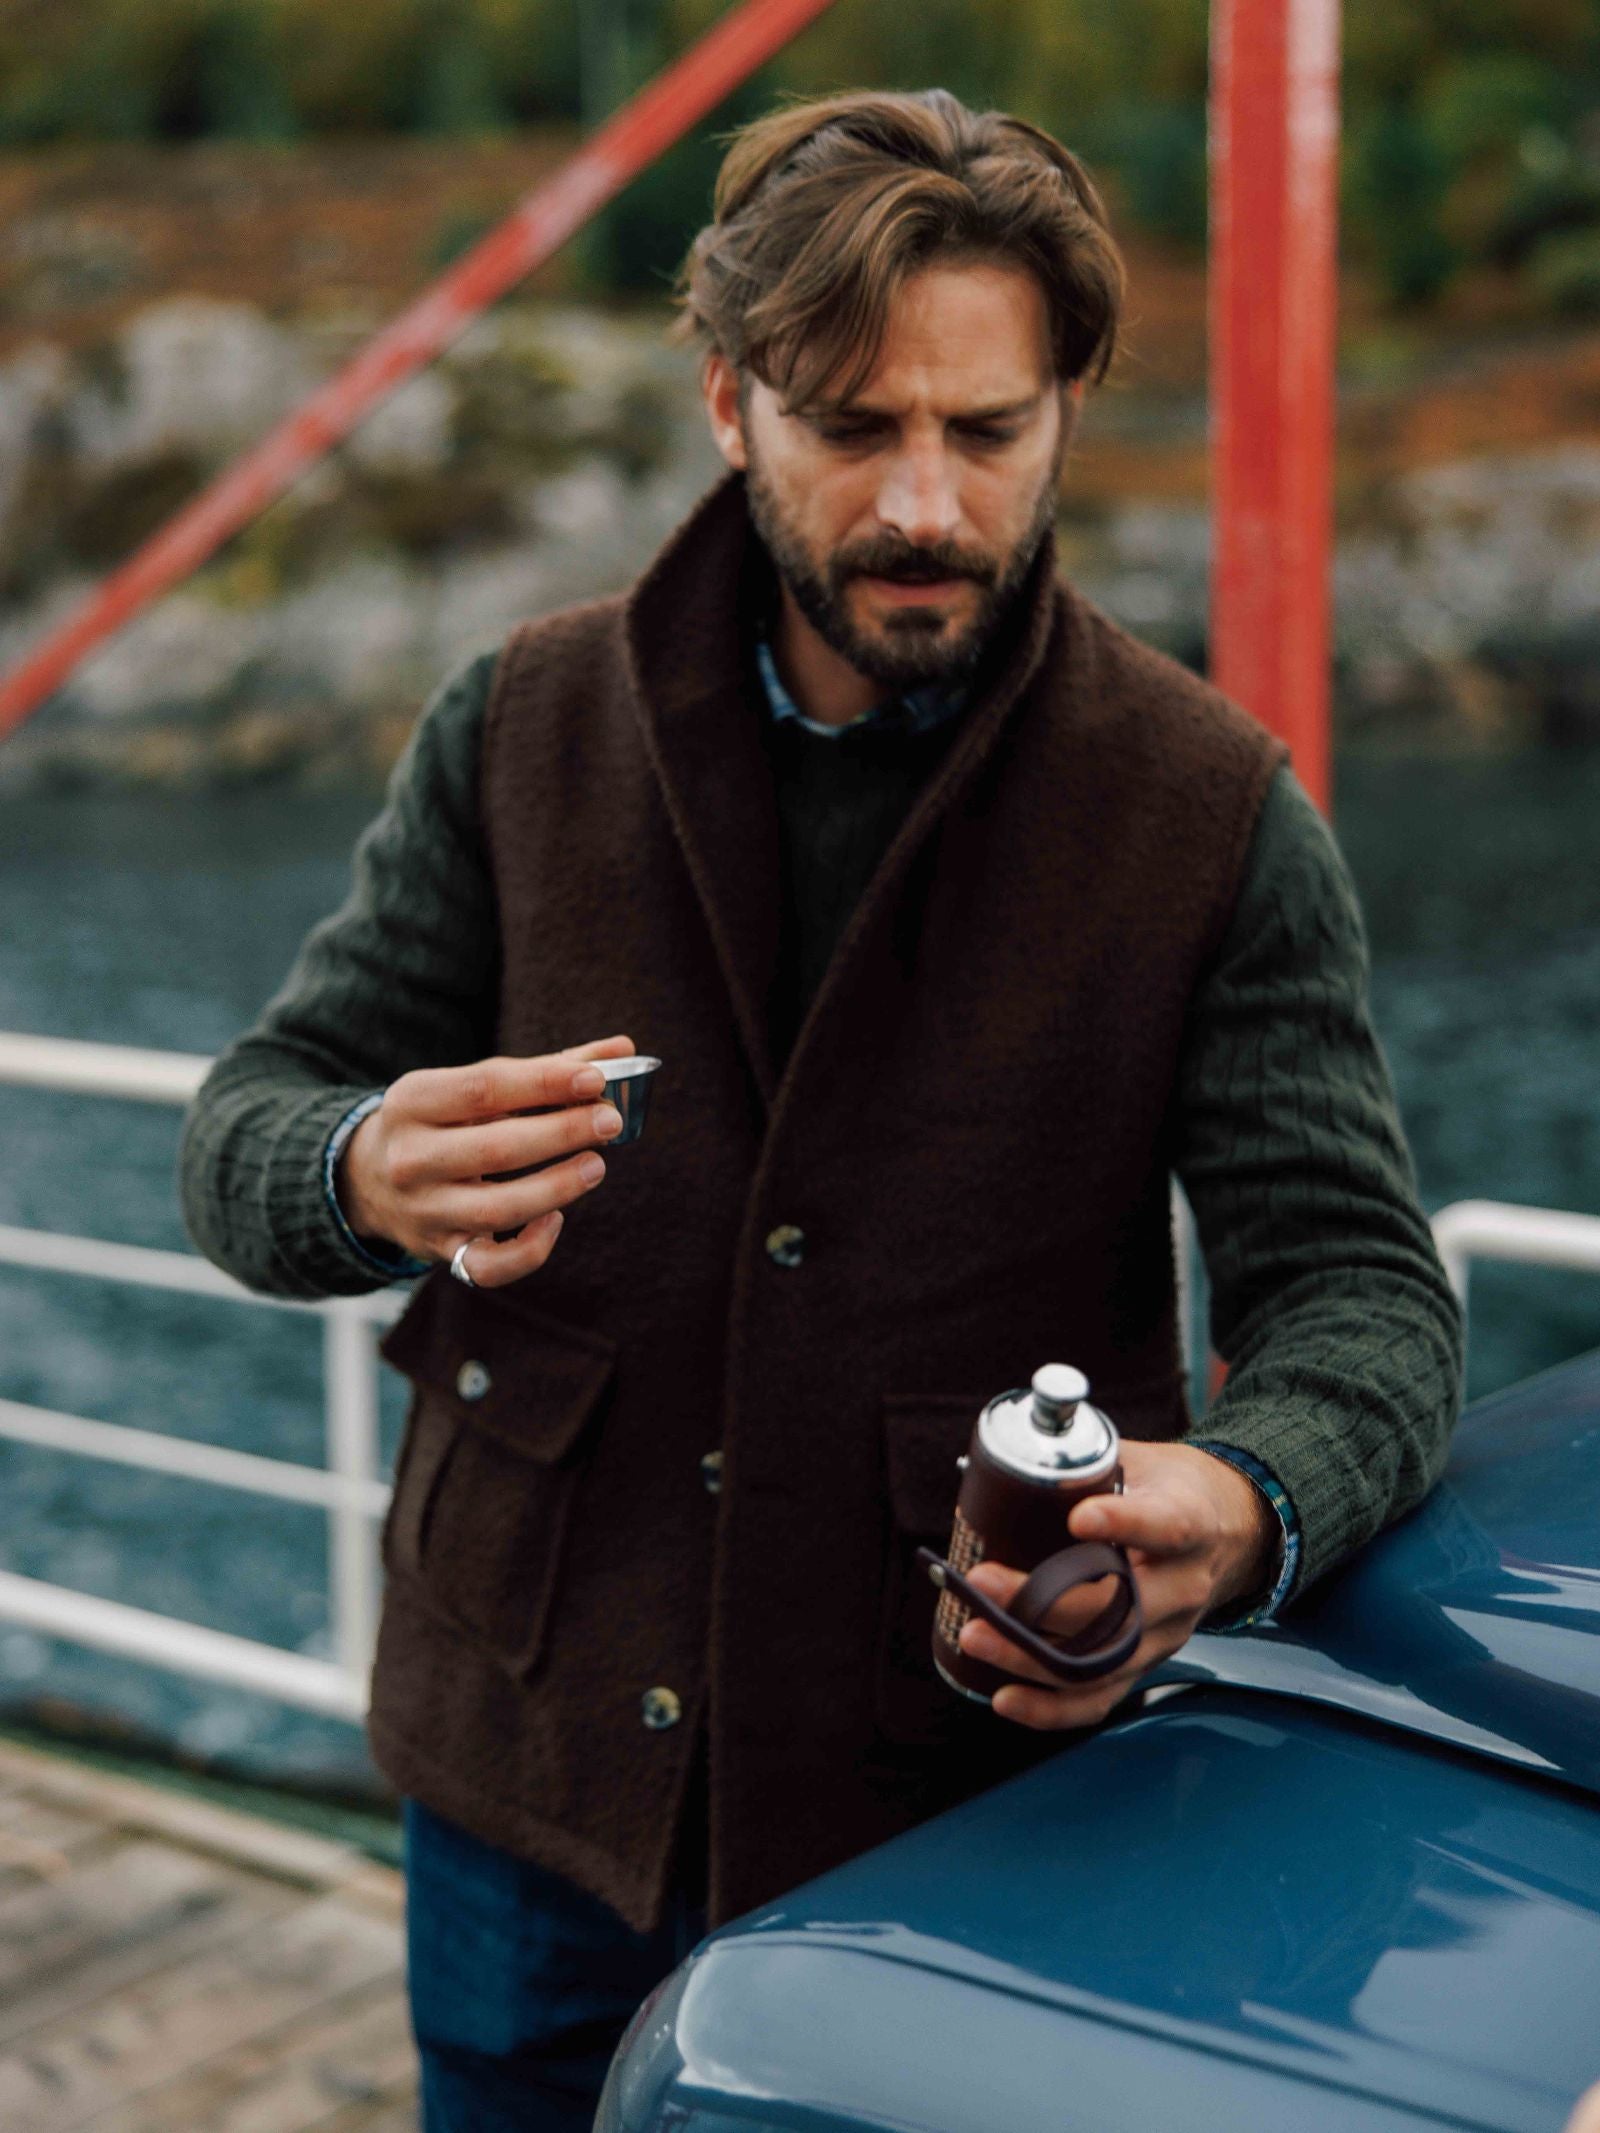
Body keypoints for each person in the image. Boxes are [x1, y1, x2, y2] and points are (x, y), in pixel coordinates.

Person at [178, 87, 1463, 2131]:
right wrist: (353, 1164)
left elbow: (1364, 1295)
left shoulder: (1211, 808)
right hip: (523, 1809)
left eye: (986, 430)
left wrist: (1236, 1503)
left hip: (956, 1827)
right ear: (725, 401)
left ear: (1062, 410)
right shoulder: (515, 720)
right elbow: (244, 1127)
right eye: (853, 428)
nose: (925, 506)